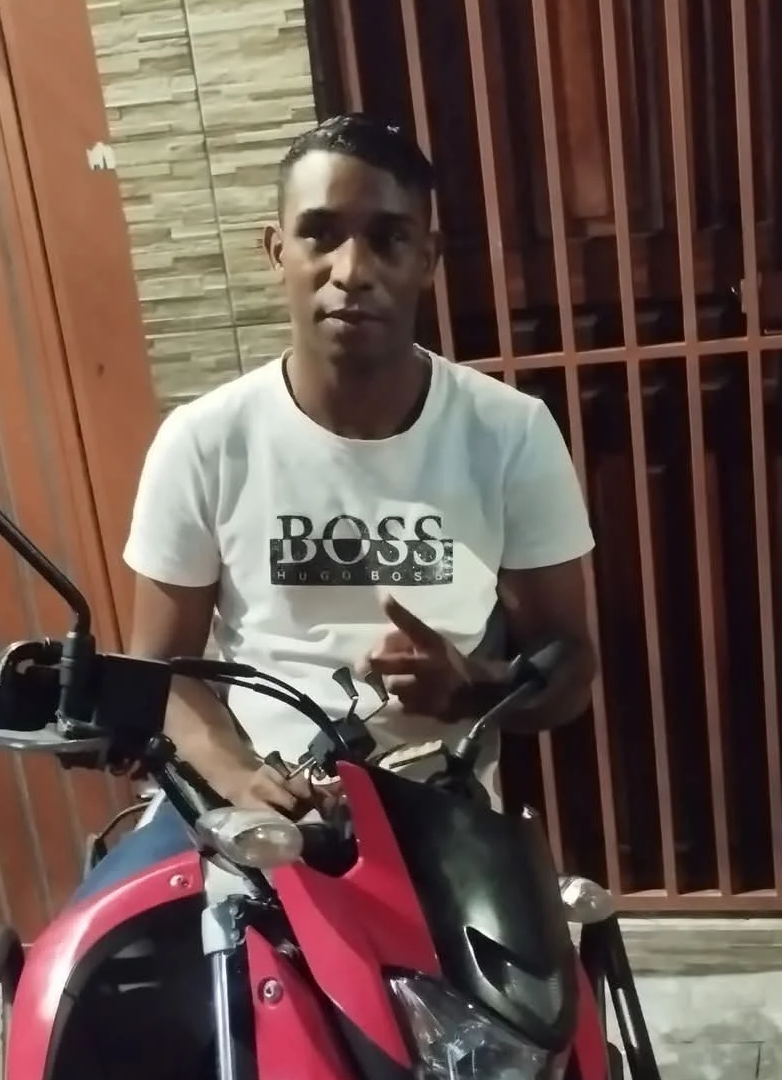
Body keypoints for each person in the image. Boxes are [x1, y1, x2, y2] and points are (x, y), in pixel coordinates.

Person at [76, 112, 596, 896]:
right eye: (320, 234)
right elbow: (159, 674)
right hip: (251, 823)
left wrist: (474, 687)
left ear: (427, 258)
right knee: (88, 952)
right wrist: (238, 774)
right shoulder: (204, 440)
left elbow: (571, 665)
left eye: (388, 239)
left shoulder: (508, 433)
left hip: (441, 825)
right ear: (276, 250)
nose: (352, 270)